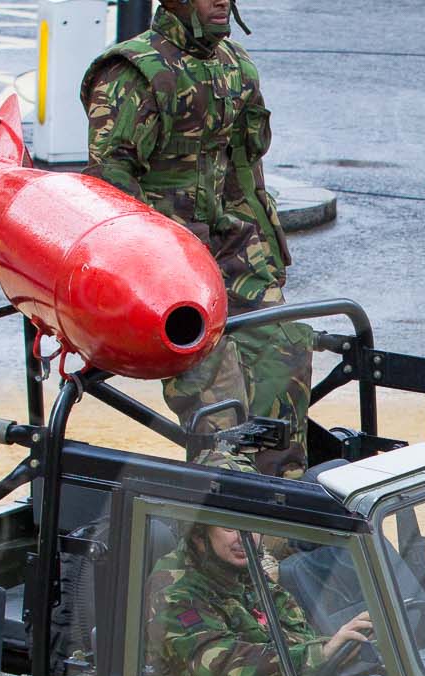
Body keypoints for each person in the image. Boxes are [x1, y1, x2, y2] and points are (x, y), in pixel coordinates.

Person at [82, 0, 314, 474]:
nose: (222, 1)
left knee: (284, 346)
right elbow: (111, 189)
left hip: (233, 247)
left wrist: (266, 260)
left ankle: (280, 508)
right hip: (167, 264)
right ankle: (221, 526)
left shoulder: (235, 66)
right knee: (219, 390)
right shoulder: (134, 73)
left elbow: (245, 176)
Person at [146, 524, 372, 676]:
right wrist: (320, 654)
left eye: (250, 525)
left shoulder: (240, 570)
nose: (246, 537)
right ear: (198, 535)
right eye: (229, 527)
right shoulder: (175, 592)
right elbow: (222, 670)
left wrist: (336, 650)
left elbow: (295, 631)